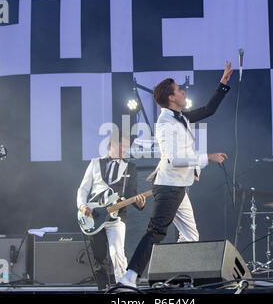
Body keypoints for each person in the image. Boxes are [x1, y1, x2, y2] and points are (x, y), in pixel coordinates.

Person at [119, 61, 234, 287]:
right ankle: (129, 277)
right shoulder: (165, 123)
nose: (183, 91)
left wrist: (222, 84)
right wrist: (206, 157)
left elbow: (208, 110)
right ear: (171, 98)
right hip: (169, 187)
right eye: (179, 90)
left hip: (179, 187)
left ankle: (175, 279)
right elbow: (174, 159)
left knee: (191, 236)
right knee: (156, 231)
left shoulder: (179, 117)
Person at [77, 131, 146, 290]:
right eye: (123, 144)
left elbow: (131, 194)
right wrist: (82, 206)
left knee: (117, 253)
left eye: (127, 146)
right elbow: (83, 189)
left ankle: (123, 287)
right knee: (99, 255)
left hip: (117, 216)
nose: (126, 149)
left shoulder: (130, 167)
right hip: (94, 215)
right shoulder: (95, 163)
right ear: (112, 144)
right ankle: (104, 288)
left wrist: (140, 204)